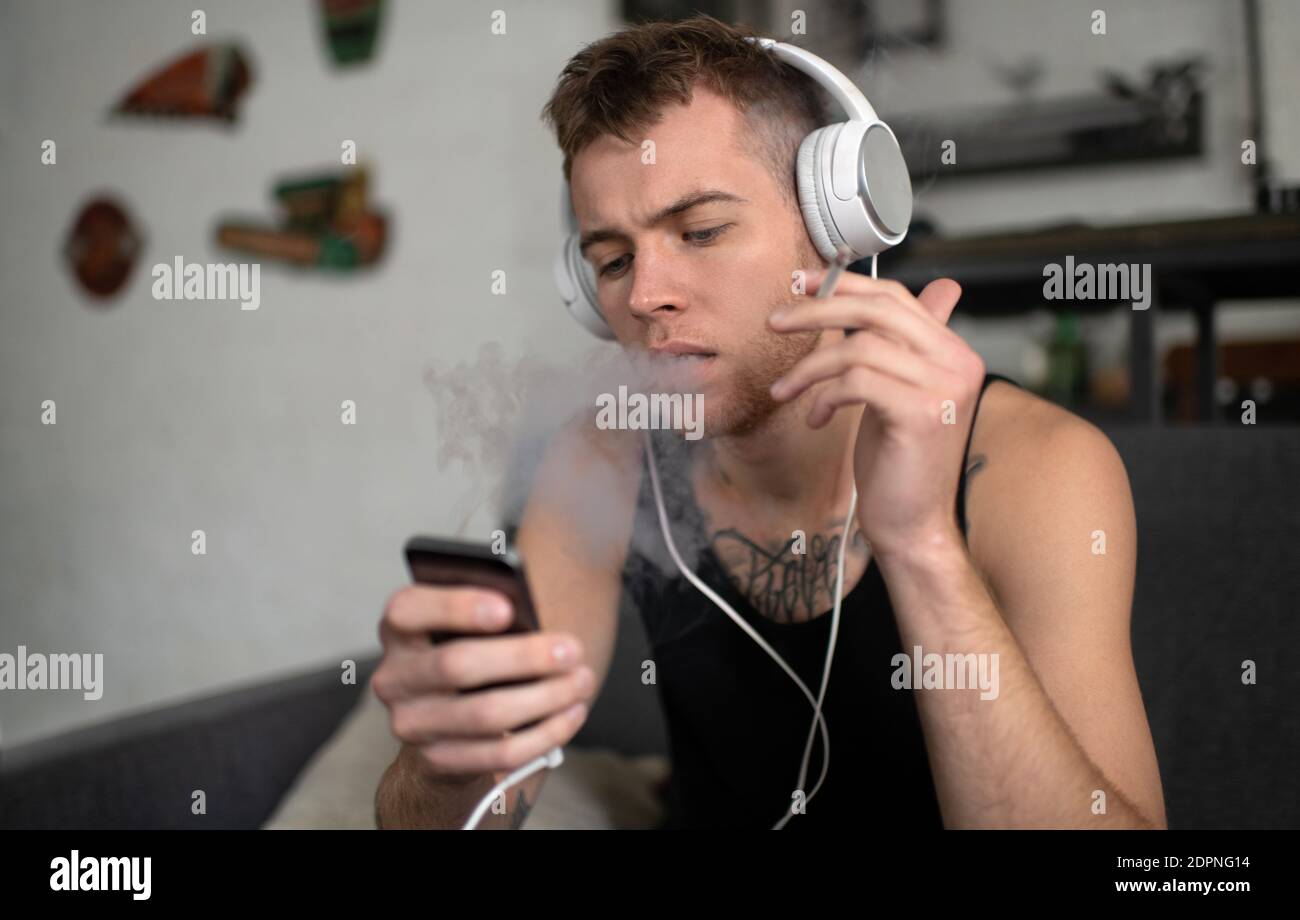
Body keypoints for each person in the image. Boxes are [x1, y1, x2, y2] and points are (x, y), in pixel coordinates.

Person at [372, 15, 1166, 830]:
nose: (645, 297)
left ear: (833, 228)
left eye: (702, 231)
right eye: (612, 261)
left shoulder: (1042, 468)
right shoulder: (605, 456)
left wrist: (922, 543)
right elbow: (461, 814)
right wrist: (444, 763)